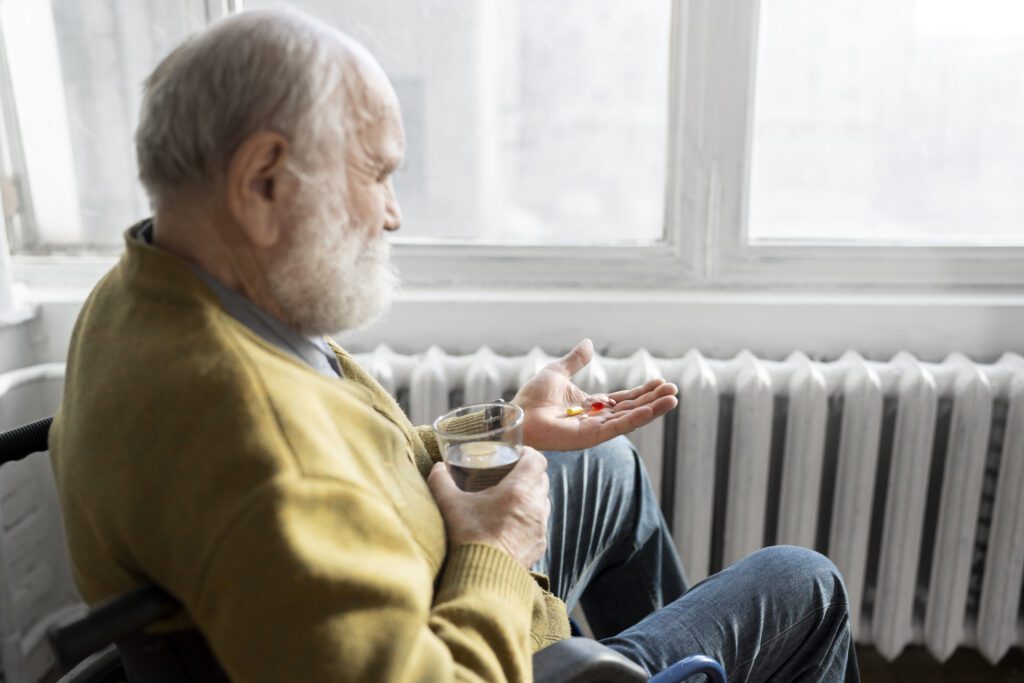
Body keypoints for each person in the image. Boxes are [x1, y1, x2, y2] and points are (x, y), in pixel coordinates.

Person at [50, 8, 860, 682]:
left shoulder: (153, 288)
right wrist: (499, 545)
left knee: (606, 469)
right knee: (807, 582)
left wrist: (507, 431)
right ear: (262, 181)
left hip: (421, 574)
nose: (393, 214)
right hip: (473, 642)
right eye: (378, 172)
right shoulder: (264, 455)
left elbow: (357, 457)